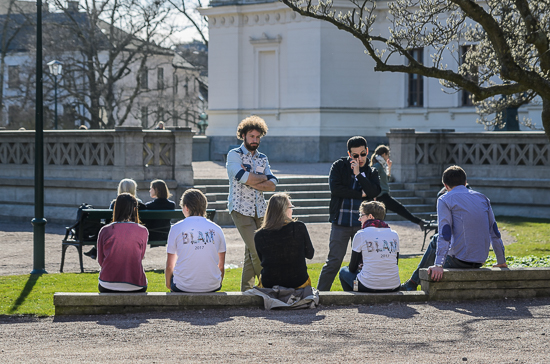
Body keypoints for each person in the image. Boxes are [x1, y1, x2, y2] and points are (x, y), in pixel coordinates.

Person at [400, 165, 508, 291]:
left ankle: (412, 283)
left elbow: (444, 233)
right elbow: (495, 232)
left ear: (445, 186)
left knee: (435, 239)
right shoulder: (483, 198)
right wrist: (501, 261)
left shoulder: (445, 199)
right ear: (465, 182)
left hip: (459, 261)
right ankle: (412, 282)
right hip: (480, 260)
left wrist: (438, 264)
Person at [317, 136, 382, 291]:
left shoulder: (371, 171)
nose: (359, 158)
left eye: (362, 154)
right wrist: (361, 194)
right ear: (349, 154)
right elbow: (336, 190)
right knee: (334, 261)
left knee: (365, 261)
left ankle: (364, 292)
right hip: (341, 221)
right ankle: (319, 294)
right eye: (355, 155)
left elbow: (374, 191)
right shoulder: (339, 166)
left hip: (364, 225)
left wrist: (359, 174)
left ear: (367, 151)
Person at [226, 115, 278, 291]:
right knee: (257, 250)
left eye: (258, 137)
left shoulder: (263, 158)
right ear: (243, 136)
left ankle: (246, 291)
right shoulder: (234, 155)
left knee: (251, 251)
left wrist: (252, 179)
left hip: (260, 210)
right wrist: (262, 179)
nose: (255, 140)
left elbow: (273, 185)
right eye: (251, 136)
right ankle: (269, 287)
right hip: (240, 209)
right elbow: (240, 177)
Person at [165, 189, 227, 293]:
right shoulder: (217, 229)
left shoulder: (176, 228)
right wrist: (218, 282)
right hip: (212, 285)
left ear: (186, 207)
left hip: (183, 286)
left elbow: (170, 265)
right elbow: (221, 265)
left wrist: (168, 284)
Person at [254, 193, 315, 289]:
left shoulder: (259, 235)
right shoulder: (298, 227)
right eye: (291, 207)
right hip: (298, 282)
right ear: (284, 210)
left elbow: (264, 260)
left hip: (269, 284)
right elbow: (310, 254)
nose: (292, 210)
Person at [339, 201, 400, 292]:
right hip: (394, 285)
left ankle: (354, 300)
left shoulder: (361, 234)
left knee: (343, 271)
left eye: (361, 215)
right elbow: (394, 262)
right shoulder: (394, 234)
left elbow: (352, 268)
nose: (359, 219)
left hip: (368, 285)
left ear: (370, 216)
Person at [97, 193, 148, 293]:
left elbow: (100, 260)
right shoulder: (143, 231)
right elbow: (140, 257)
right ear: (134, 209)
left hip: (107, 283)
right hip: (136, 284)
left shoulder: (105, 230)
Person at [84, 178, 145, 259]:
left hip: (116, 234)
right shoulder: (140, 203)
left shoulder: (115, 203)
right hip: (135, 233)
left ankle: (95, 251)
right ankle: (94, 251)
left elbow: (109, 221)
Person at [371, 145, 427, 230]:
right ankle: (420, 222)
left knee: (380, 220)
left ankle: (420, 222)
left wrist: (389, 168)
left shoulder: (381, 165)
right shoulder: (377, 166)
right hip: (382, 196)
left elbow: (385, 180)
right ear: (383, 154)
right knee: (400, 209)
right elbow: (371, 178)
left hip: (383, 196)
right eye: (388, 155)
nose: (388, 157)